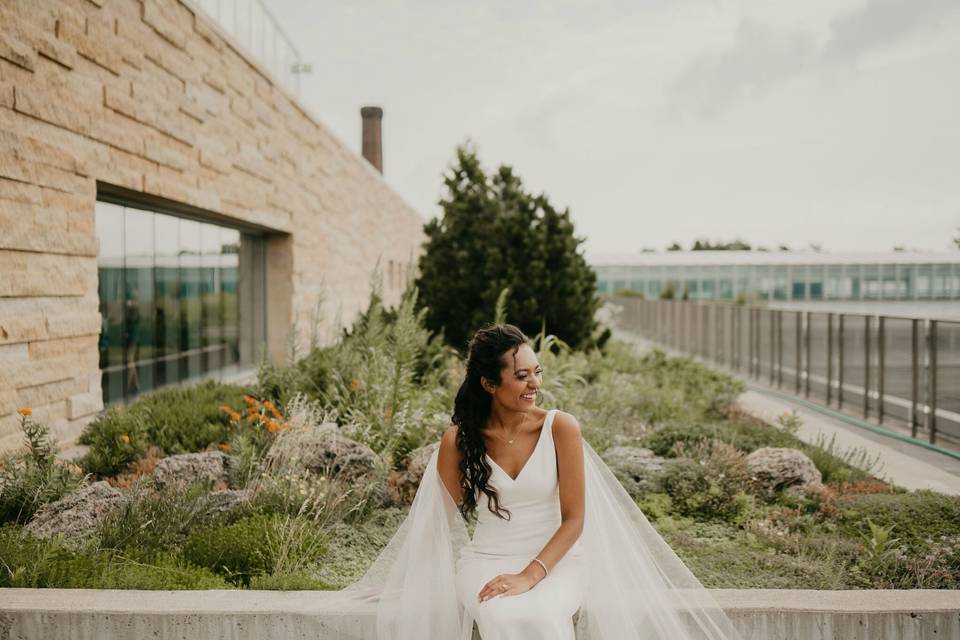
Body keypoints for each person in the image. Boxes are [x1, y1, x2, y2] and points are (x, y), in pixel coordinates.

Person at [325, 324, 743, 640]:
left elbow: (575, 519)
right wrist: (408, 581)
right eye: (521, 376)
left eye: (536, 372)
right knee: (501, 614)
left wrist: (530, 575)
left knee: (543, 616)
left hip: (557, 562)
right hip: (486, 560)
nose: (535, 384)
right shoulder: (459, 440)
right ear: (489, 384)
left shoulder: (561, 427)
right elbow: (435, 520)